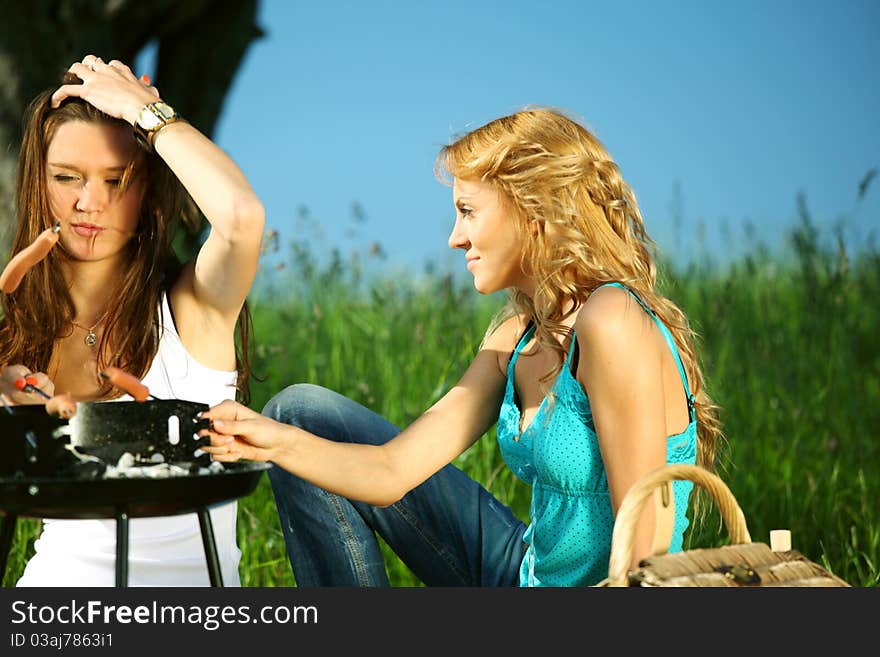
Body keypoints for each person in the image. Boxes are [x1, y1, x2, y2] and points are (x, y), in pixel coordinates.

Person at [202, 107, 723, 587]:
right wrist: (270, 442)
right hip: (520, 572)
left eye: (468, 211)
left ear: (533, 209)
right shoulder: (515, 336)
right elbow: (392, 473)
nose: (455, 238)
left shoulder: (614, 320)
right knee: (299, 414)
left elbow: (645, 547)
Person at [1, 54, 264, 586]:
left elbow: (241, 218)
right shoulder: (19, 333)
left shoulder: (192, 309)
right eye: (67, 177)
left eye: (116, 180)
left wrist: (147, 112)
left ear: (145, 190)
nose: (88, 202)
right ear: (39, 184)